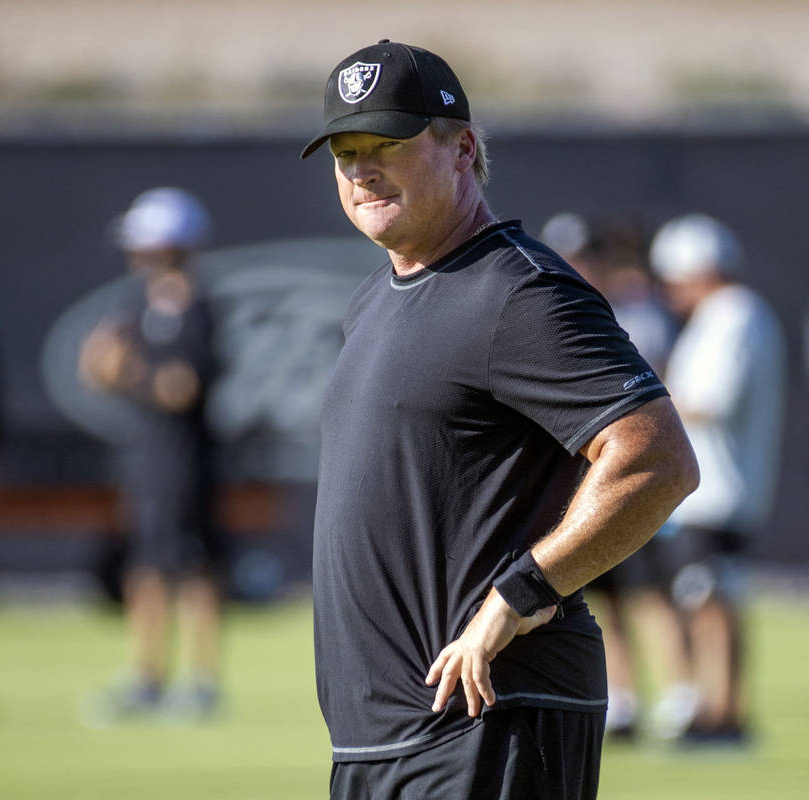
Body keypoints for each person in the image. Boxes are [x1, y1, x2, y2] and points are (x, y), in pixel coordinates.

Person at [300, 41, 699, 798]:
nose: (361, 169)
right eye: (346, 151)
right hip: (384, 741)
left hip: (489, 721)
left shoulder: (519, 292)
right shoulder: (372, 303)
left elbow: (657, 459)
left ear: (463, 149)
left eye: (386, 144)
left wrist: (518, 597)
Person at [77, 187, 225, 724]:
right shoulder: (137, 305)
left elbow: (181, 386)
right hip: (143, 459)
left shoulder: (196, 308)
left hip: (184, 461)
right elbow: (97, 367)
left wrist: (129, 373)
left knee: (191, 565)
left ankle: (202, 681)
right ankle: (146, 676)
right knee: (143, 567)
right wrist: (107, 367)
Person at [540, 212, 689, 741]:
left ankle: (680, 697)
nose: (576, 266)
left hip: (631, 473)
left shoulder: (636, 315)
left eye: (584, 256)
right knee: (604, 598)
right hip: (583, 481)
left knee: (652, 593)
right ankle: (623, 702)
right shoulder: (553, 312)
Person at [649, 213, 786, 745]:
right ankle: (720, 709)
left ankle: (722, 712)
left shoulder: (731, 316)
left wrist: (644, 404)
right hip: (721, 490)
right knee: (711, 599)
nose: (671, 290)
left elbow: (707, 402)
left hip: (714, 493)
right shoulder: (733, 315)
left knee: (708, 602)